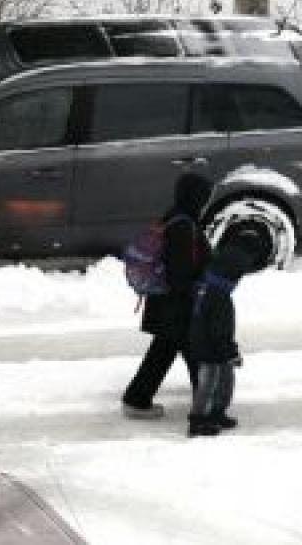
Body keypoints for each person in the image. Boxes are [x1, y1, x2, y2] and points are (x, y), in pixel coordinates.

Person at [121, 173, 213, 419]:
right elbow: (179, 272)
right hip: (177, 305)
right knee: (195, 353)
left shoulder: (176, 216)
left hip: (165, 304)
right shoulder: (183, 225)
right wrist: (195, 294)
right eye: (205, 195)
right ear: (197, 197)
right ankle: (206, 410)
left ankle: (136, 399)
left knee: (163, 352)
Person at [187, 227, 269, 437]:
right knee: (209, 383)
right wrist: (230, 352)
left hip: (210, 346)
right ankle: (199, 420)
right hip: (211, 349)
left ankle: (216, 413)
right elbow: (219, 331)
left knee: (223, 380)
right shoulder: (218, 298)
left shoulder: (207, 288)